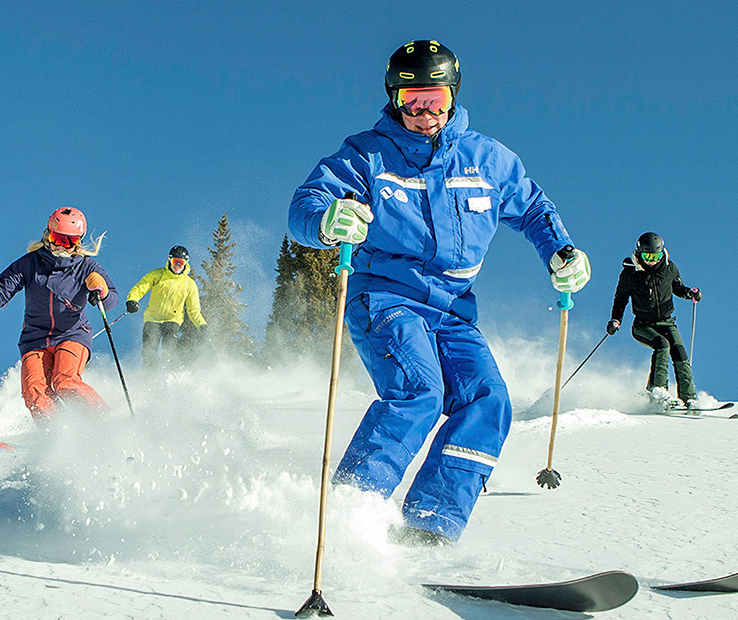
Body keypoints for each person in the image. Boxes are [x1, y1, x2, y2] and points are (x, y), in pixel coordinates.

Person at [288, 40, 590, 545]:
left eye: (435, 100)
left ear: (453, 97)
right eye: (411, 101)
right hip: (384, 297)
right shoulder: (366, 154)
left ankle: (429, 527)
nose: (424, 113)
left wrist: (562, 251)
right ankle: (350, 508)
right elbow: (306, 203)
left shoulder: (487, 160)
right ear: (394, 98)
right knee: (418, 394)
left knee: (489, 402)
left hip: (452, 310)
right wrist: (325, 220)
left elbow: (534, 208)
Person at [0, 206, 119, 419]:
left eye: (69, 241)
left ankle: (107, 422)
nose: (61, 246)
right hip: (35, 339)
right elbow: (0, 294)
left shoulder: (86, 266)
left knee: (65, 382)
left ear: (78, 241)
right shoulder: (29, 264)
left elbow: (111, 299)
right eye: (57, 238)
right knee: (34, 391)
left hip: (72, 334)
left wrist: (101, 289)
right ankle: (55, 436)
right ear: (48, 234)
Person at [606, 232, 703, 407]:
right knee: (662, 344)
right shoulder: (630, 273)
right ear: (639, 253)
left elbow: (678, 287)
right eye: (647, 256)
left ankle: (689, 398)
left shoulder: (669, 268)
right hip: (642, 325)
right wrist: (615, 320)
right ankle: (658, 392)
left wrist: (689, 293)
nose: (652, 261)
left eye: (655, 256)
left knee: (680, 354)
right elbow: (620, 299)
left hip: (667, 322)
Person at [124, 245, 207, 370]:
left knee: (169, 350)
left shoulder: (189, 284)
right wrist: (132, 300)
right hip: (152, 320)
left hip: (172, 321)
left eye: (181, 262)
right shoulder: (158, 275)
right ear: (169, 260)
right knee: (149, 351)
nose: (177, 265)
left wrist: (202, 325)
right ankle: (149, 378)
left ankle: (169, 375)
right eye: (175, 261)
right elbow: (140, 288)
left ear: (186, 263)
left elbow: (193, 310)